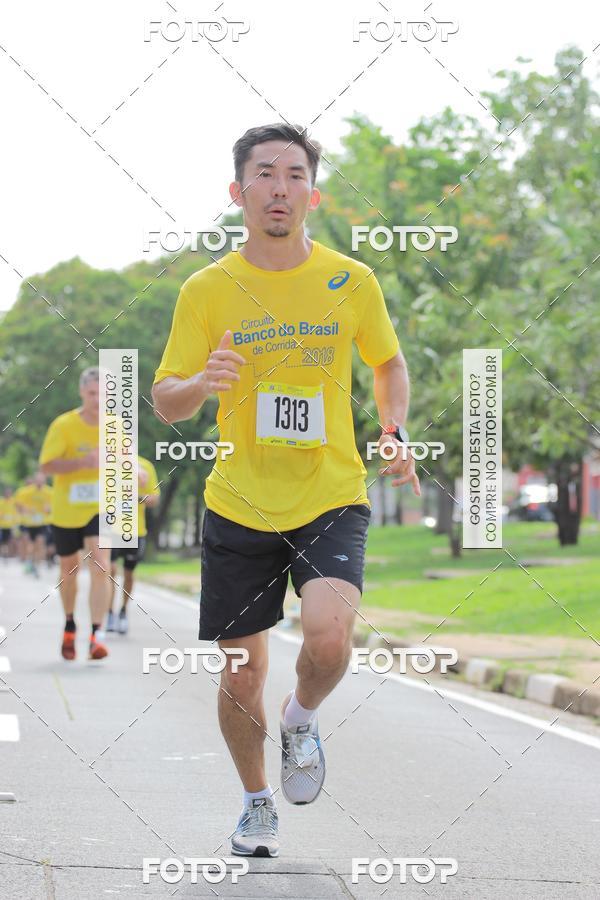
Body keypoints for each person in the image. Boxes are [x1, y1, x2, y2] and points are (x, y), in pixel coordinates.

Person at [152, 123, 419, 858]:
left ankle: (300, 719)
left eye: (294, 174)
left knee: (330, 639)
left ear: (313, 192)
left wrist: (392, 429)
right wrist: (201, 383)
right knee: (243, 673)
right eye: (264, 174)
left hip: (330, 490)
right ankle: (256, 802)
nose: (280, 187)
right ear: (238, 193)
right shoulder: (206, 289)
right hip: (239, 500)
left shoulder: (351, 279)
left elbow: (388, 363)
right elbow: (163, 399)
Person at [39, 368, 111, 661]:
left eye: (104, 394)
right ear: (82, 393)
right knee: (68, 570)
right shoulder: (64, 425)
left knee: (101, 563)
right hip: (67, 510)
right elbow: (47, 467)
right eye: (93, 393)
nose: (98, 399)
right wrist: (82, 462)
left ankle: (96, 635)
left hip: (102, 506)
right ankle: (70, 624)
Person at [107, 455, 160, 635]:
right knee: (110, 570)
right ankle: (109, 613)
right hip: (110, 528)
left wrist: (135, 497)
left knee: (128, 574)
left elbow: (154, 499)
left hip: (135, 530)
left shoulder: (145, 465)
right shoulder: (108, 461)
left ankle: (123, 611)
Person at [14, 472, 52, 577]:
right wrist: (24, 509)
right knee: (29, 544)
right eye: (38, 481)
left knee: (39, 543)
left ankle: (36, 565)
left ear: (44, 481)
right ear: (35, 481)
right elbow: (18, 504)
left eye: (42, 481)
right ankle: (29, 561)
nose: (40, 483)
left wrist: (49, 509)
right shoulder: (26, 492)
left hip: (42, 523)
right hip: (28, 522)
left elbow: (54, 505)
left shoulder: (49, 492)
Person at [0, 488, 18, 561]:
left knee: (10, 540)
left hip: (11, 525)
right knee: (3, 541)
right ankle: (3, 554)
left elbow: (15, 512)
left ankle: (9, 554)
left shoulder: (13, 502)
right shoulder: (1, 501)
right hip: (2, 525)